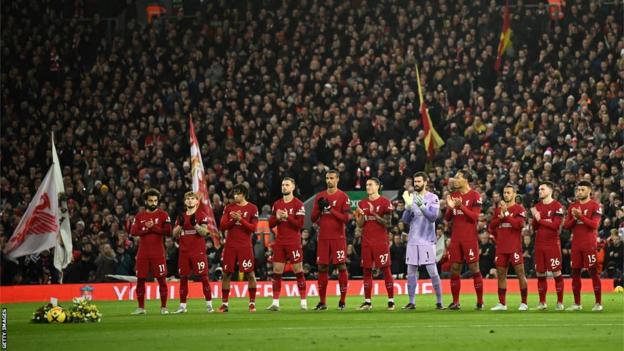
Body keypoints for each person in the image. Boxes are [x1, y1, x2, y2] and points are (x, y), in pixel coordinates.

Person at [400, 172, 444, 310]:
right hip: (413, 240)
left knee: (433, 271)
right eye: (415, 181)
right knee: (411, 271)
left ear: (425, 182)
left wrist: (423, 206)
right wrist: (407, 208)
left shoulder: (433, 198)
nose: (416, 184)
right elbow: (405, 220)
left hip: (427, 240)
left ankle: (439, 302)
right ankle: (411, 302)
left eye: (419, 181)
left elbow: (433, 218)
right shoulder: (411, 198)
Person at [311, 170, 350, 310]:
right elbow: (313, 218)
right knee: (322, 267)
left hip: (338, 237)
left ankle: (342, 301)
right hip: (323, 237)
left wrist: (330, 209)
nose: (329, 180)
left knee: (341, 266)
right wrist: (320, 209)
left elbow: (346, 219)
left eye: (332, 178)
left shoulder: (343, 196)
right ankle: (322, 302)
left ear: (337, 179)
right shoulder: (320, 196)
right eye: (327, 178)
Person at [266, 177, 307, 311]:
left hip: (293, 243)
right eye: (283, 185)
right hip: (280, 242)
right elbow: (271, 224)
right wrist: (277, 218)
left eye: (287, 185)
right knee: (277, 272)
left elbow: (300, 225)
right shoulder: (277, 204)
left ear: (293, 187)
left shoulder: (298, 204)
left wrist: (287, 217)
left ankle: (303, 302)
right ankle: (276, 303)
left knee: (298, 271)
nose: (284, 187)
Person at [444, 170, 483, 310]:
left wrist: (461, 206)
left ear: (466, 180)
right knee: (454, 269)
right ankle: (455, 302)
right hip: (456, 238)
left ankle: (480, 301)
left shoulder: (475, 195)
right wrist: (450, 207)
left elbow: (474, 217)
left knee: (474, 268)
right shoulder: (453, 195)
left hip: (469, 238)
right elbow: (448, 218)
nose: (455, 179)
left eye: (458, 177)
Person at [355, 178, 395, 311]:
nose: (368, 187)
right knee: (366, 270)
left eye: (371, 184)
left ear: (378, 186)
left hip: (380, 242)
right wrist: (359, 217)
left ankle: (391, 301)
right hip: (366, 241)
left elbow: (388, 223)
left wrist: (374, 214)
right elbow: (360, 225)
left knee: (386, 269)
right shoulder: (362, 203)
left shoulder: (385, 202)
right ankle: (367, 301)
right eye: (366, 185)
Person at [130, 188, 172, 315]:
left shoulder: (164, 215)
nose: (153, 203)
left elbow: (168, 231)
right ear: (145, 201)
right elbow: (133, 232)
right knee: (140, 280)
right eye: (150, 201)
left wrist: (152, 226)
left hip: (158, 253)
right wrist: (146, 229)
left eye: (155, 200)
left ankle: (164, 307)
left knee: (161, 280)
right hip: (143, 253)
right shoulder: (139, 216)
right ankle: (141, 308)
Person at [563, 180, 603, 311]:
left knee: (593, 272)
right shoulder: (572, 207)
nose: (579, 192)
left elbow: (595, 225)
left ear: (589, 191)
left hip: (589, 244)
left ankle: (598, 303)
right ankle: (577, 303)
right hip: (576, 245)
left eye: (582, 190)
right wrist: (574, 218)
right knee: (574, 272)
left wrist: (580, 216)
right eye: (578, 190)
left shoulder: (595, 206)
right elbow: (566, 226)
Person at [218, 184, 259, 312]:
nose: (235, 196)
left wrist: (240, 219)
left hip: (245, 246)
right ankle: (225, 304)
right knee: (226, 274)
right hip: (230, 246)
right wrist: (233, 220)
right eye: (234, 193)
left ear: (244, 194)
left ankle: (252, 303)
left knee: (250, 274)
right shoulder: (229, 208)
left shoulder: (252, 208)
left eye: (238, 193)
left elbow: (253, 228)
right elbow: (222, 226)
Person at [488, 185, 529, 311]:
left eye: (508, 193)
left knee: (520, 273)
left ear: (514, 194)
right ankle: (502, 303)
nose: (505, 195)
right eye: (504, 192)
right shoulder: (497, 209)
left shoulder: (519, 209)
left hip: (514, 247)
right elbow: (491, 226)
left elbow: (519, 225)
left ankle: (524, 303)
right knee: (501, 275)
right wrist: (500, 218)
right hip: (501, 247)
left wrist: (505, 214)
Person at [172, 191, 214, 314]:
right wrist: (180, 225)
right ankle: (182, 306)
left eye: (192, 198)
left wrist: (195, 225)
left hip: (198, 252)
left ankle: (209, 305)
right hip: (184, 252)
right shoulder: (181, 216)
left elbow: (205, 233)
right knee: (183, 278)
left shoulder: (201, 215)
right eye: (188, 198)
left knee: (204, 277)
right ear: (185, 202)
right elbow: (174, 234)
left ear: (197, 201)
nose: (190, 200)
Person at [530, 181, 565, 311]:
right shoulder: (537, 206)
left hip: (552, 244)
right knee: (540, 273)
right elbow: (534, 227)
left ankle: (560, 302)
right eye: (539, 189)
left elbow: (556, 226)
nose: (540, 191)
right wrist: (535, 218)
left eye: (542, 189)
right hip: (539, 243)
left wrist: (540, 220)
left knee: (556, 272)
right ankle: (542, 302)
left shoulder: (557, 206)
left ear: (550, 190)